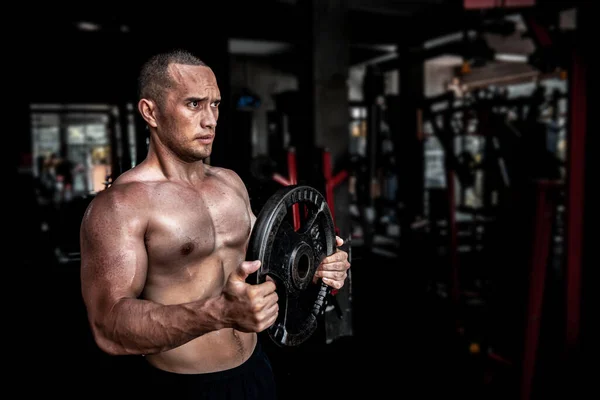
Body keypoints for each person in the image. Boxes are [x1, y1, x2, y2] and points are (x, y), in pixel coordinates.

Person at [79, 48, 351, 399]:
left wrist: (318, 267)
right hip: (185, 387)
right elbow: (109, 326)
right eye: (193, 104)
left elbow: (268, 262)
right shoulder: (120, 205)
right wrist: (217, 314)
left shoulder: (230, 183)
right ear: (151, 112)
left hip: (256, 371)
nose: (210, 120)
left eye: (216, 105)